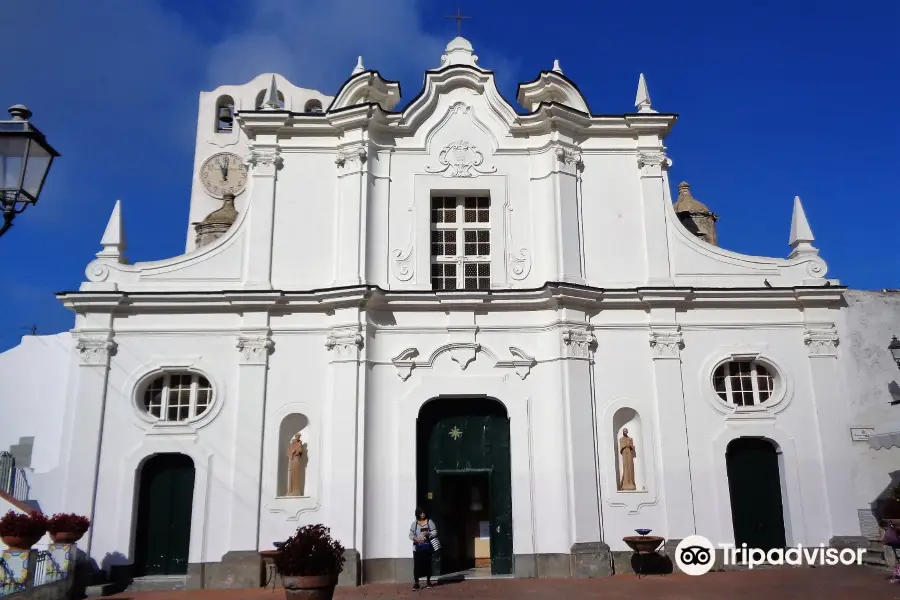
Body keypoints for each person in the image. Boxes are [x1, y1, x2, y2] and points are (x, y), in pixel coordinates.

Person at [409, 506, 437, 590]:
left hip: (427, 546)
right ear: (418, 514)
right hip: (417, 547)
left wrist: (428, 534)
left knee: (427, 564)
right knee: (417, 565)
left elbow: (435, 532)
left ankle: (428, 581)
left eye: (424, 513)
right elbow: (410, 534)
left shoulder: (429, 522)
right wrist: (415, 538)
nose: (422, 514)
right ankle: (416, 582)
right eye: (421, 513)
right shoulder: (415, 523)